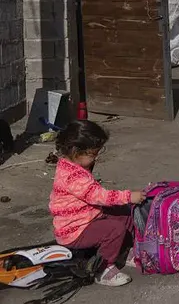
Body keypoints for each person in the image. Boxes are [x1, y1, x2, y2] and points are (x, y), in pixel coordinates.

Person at [49, 120, 144, 287]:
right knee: (115, 229)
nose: (96, 157)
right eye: (92, 154)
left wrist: (124, 201)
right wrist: (129, 196)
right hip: (75, 230)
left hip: (87, 216)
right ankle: (103, 269)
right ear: (75, 151)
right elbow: (99, 196)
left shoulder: (73, 165)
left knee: (123, 212)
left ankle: (123, 251)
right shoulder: (73, 176)